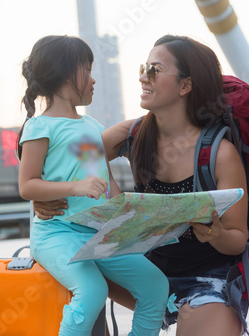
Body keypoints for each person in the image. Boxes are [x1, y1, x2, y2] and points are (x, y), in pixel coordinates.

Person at [34, 34, 248, 336]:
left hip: (207, 278)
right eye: (143, 68)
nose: (142, 78)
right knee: (79, 269)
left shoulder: (219, 154)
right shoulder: (133, 134)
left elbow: (238, 239)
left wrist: (216, 233)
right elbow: (67, 161)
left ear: (185, 86)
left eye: (154, 71)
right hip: (150, 268)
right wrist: (44, 197)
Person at [17, 35, 169, 336]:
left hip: (99, 233)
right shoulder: (39, 127)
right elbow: (27, 186)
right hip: (57, 235)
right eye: (86, 70)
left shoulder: (92, 127)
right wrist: (75, 188)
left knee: (156, 286)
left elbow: (104, 183)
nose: (93, 78)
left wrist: (137, 211)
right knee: (92, 291)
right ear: (63, 74)